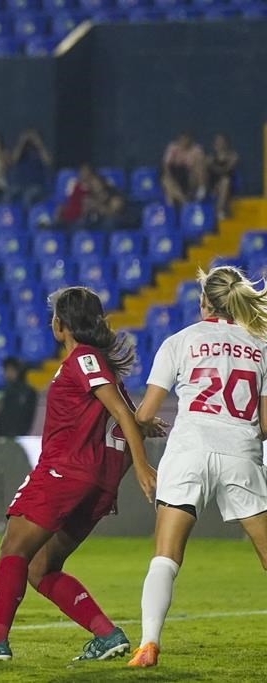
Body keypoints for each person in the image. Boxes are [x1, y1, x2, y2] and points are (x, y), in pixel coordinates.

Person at [0, 286, 158, 663]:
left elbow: (124, 418)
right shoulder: (101, 367)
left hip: (65, 473)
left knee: (13, 548)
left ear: (60, 326)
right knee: (42, 568)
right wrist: (121, 469)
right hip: (95, 484)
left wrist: (142, 466)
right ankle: (107, 635)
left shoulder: (83, 360)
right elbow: (128, 420)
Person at [129, 266, 267, 668]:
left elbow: (146, 412)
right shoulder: (260, 344)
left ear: (203, 301)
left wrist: (146, 421)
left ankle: (148, 645)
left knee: (166, 557)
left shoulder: (179, 341)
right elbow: (266, 425)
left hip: (188, 450)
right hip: (240, 451)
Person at [0, 357, 38, 437]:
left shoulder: (28, 392)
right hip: (3, 434)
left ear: (18, 371)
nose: (8, 373)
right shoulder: (4, 390)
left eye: (12, 370)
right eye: (6, 370)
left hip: (18, 434)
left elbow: (28, 416)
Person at [5, 128, 52, 207]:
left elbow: (48, 162)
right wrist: (22, 142)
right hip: (19, 184)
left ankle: (27, 218)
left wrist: (38, 143)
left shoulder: (39, 151)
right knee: (7, 196)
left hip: (36, 185)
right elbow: (13, 161)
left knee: (27, 197)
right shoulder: (21, 152)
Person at [161, 131, 206, 209]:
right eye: (182, 140)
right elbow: (166, 164)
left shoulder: (197, 149)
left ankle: (201, 190)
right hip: (174, 174)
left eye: (187, 140)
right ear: (179, 140)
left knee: (169, 191)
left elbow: (200, 166)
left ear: (190, 140)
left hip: (189, 177)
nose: (184, 142)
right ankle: (185, 203)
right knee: (167, 184)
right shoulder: (173, 147)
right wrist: (169, 176)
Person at [206, 133, 239, 221]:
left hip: (228, 185)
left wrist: (213, 167)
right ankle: (219, 211)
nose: (220, 144)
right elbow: (208, 170)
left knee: (225, 181)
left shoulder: (233, 156)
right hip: (213, 184)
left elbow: (227, 170)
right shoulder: (211, 157)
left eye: (222, 141)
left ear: (226, 143)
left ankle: (219, 210)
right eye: (218, 142)